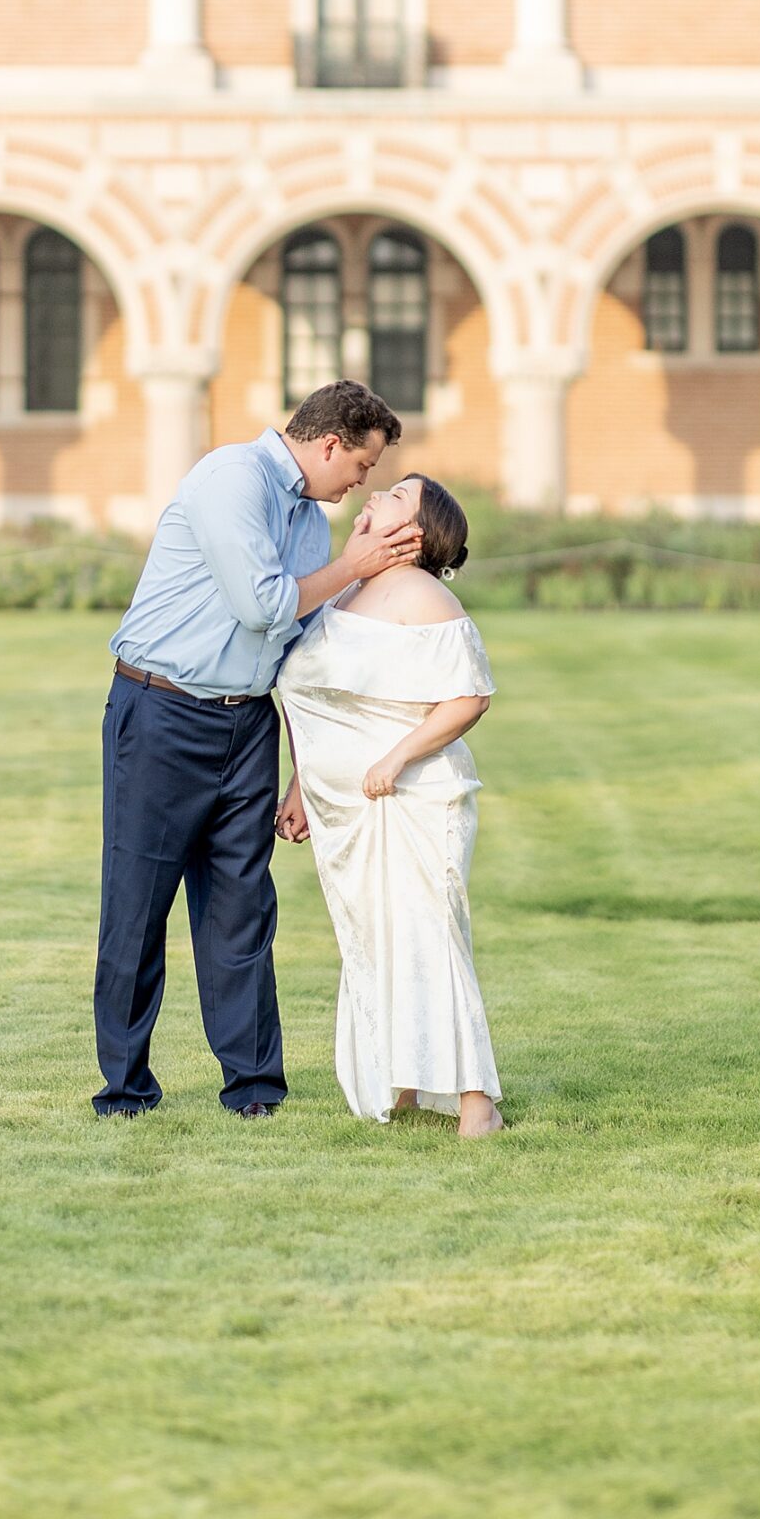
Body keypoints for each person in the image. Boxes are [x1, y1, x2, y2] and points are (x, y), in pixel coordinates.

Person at [93, 380, 421, 1120]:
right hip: (161, 713)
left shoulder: (309, 516)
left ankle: (253, 1090)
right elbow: (264, 604)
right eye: (362, 467)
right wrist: (357, 568)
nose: (361, 482)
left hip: (249, 727)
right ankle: (124, 1089)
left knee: (242, 910)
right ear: (331, 443)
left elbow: (301, 651)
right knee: (136, 911)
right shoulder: (229, 478)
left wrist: (302, 774)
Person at [275, 474, 503, 1138]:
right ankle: (400, 1082)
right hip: (344, 805)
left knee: (428, 936)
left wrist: (397, 757)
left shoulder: (421, 596)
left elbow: (469, 696)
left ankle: (474, 1100)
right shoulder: (344, 588)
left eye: (397, 497)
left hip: (410, 797)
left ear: (418, 533)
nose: (375, 496)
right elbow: (315, 699)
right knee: (372, 941)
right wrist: (301, 785)